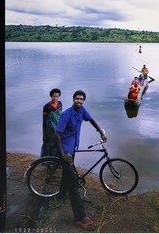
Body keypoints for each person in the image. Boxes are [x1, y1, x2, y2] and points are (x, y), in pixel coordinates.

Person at [53, 90, 107, 229]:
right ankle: (80, 217)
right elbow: (56, 135)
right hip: (64, 150)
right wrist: (63, 154)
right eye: (77, 98)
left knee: (67, 175)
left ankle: (60, 196)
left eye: (81, 99)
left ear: (83, 101)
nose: (79, 101)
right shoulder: (66, 114)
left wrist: (101, 132)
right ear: (73, 99)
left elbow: (91, 120)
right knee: (73, 183)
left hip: (73, 148)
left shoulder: (82, 110)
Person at [41, 88, 62, 157]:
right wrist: (44, 134)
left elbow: (60, 116)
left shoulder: (60, 104)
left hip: (58, 127)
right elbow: (44, 121)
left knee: (58, 144)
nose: (55, 98)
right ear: (51, 96)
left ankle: (57, 160)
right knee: (50, 145)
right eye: (54, 96)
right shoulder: (46, 107)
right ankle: (48, 162)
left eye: (57, 96)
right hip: (49, 130)